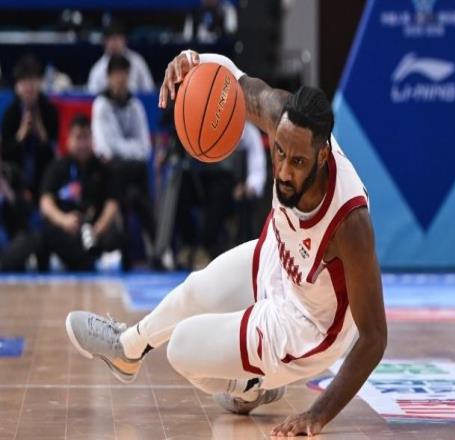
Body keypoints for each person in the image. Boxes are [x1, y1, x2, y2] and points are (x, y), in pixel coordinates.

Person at [66, 50, 387, 436]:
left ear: (322, 156)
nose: (284, 171)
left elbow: (374, 337)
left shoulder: (350, 222)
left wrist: (318, 414)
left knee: (182, 348)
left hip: (305, 325)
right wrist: (192, 60)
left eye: (298, 162)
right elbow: (235, 79)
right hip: (279, 256)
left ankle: (249, 386)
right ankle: (127, 348)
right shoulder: (283, 120)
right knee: (195, 290)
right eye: (279, 153)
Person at [92, 54, 156, 264]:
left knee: (136, 193)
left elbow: (145, 148)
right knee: (120, 177)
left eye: (124, 74)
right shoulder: (101, 105)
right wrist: (129, 148)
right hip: (107, 171)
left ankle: (156, 249)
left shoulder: (135, 106)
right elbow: (106, 149)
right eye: (116, 74)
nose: (120, 79)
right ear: (109, 77)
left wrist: (123, 148)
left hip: (132, 171)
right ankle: (120, 248)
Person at [38, 115, 124, 271]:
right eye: (78, 138)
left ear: (92, 139)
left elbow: (112, 203)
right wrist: (63, 220)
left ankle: (83, 259)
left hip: (95, 227)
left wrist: (98, 229)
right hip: (66, 228)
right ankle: (90, 260)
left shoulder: (104, 169)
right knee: (45, 235)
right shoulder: (57, 167)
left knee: (117, 236)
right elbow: (45, 202)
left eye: (86, 138)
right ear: (69, 139)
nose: (83, 144)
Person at [1, 55, 59, 237]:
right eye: (24, 82)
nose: (29, 87)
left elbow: (54, 153)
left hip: (44, 177)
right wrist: (21, 135)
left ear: (40, 83)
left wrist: (41, 132)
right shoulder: (11, 114)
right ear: (17, 86)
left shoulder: (49, 110)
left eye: (33, 80)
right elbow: (5, 154)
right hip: (17, 179)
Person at [88, 20, 154, 94]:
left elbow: (149, 90)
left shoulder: (137, 61)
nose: (114, 44)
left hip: (134, 100)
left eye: (117, 39)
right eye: (111, 40)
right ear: (105, 42)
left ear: (125, 40)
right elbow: (92, 95)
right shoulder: (97, 69)